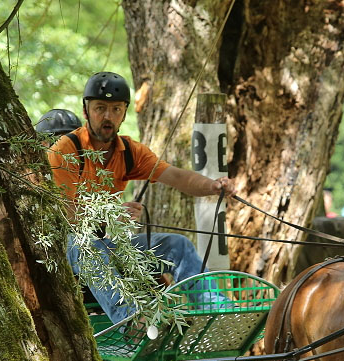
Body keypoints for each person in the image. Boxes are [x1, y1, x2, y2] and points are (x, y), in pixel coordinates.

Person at [48, 72, 234, 324]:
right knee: (86, 248)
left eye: (116, 109)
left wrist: (212, 185)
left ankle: (217, 311)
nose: (107, 117)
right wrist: (112, 215)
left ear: (124, 113)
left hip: (107, 247)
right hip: (69, 250)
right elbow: (65, 215)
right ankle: (133, 322)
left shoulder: (129, 151)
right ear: (86, 110)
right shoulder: (66, 150)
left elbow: (178, 177)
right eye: (100, 108)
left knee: (177, 245)